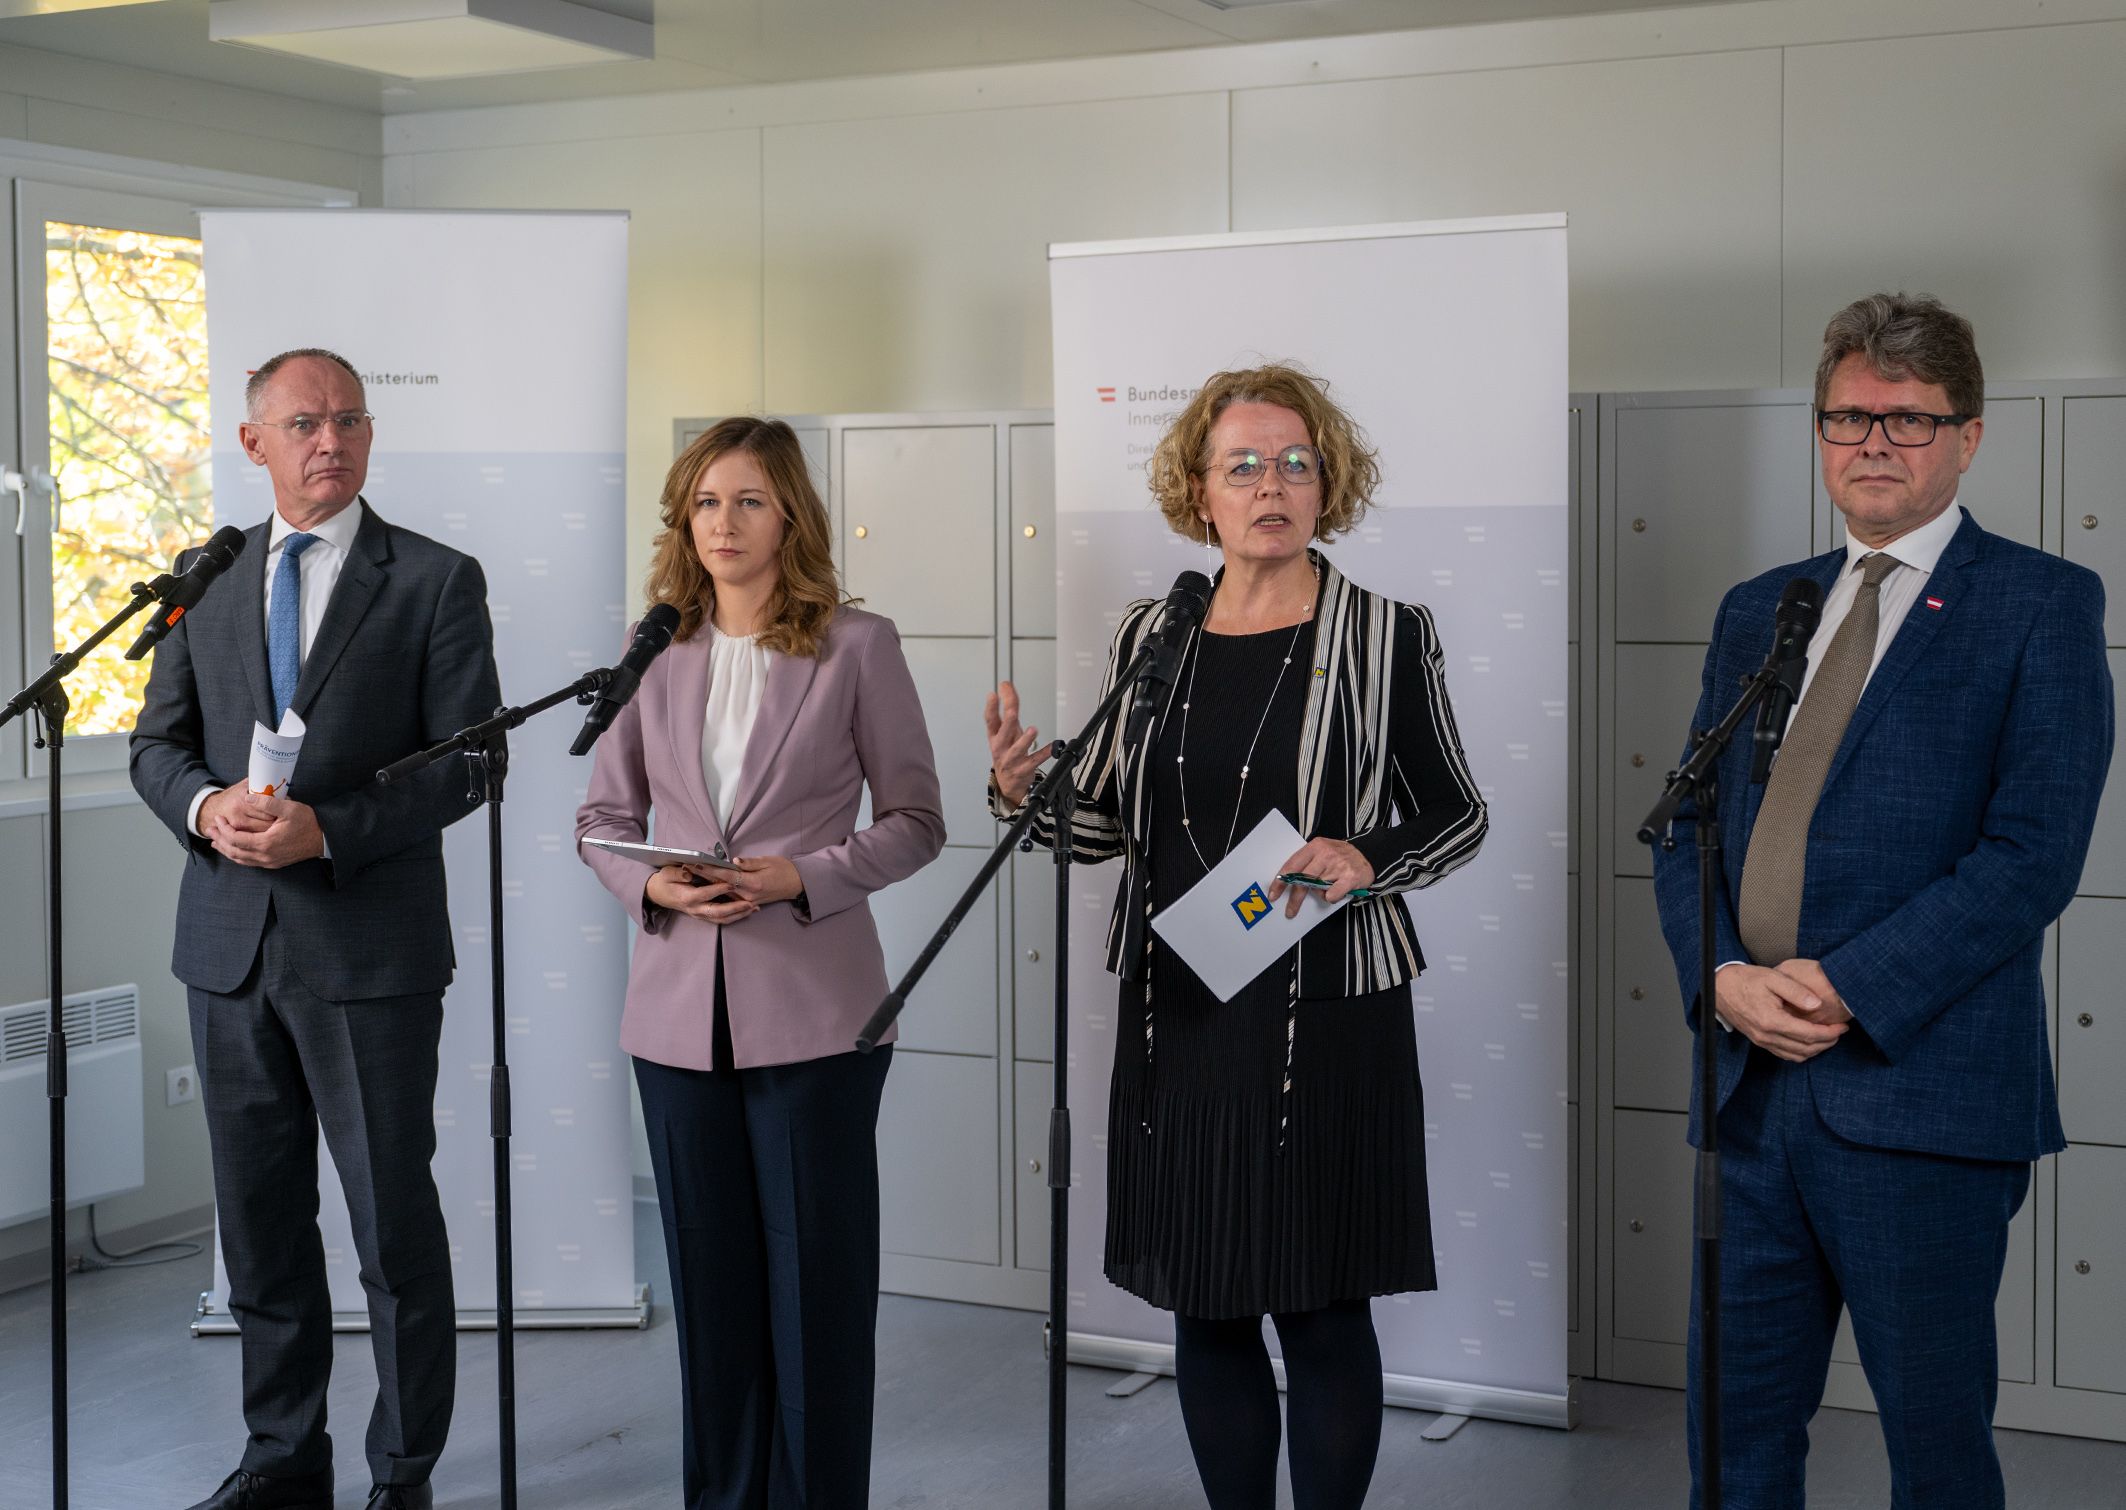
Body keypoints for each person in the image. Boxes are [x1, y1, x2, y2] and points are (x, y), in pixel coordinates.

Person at [985, 364, 1487, 1510]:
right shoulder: (1151, 633)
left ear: (1328, 484)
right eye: (1244, 465)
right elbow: (1108, 822)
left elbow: (1456, 810)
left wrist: (1368, 858)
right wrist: (1025, 793)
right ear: (1198, 492)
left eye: (1295, 462)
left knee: (1315, 1302)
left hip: (1328, 1012)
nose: (1272, 485)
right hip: (1184, 1009)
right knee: (1203, 1296)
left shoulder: (1383, 634)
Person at [1651, 292, 2113, 1509]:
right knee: (1730, 1432)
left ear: (1967, 437)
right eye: (1848, 416)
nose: (1872, 443)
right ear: (1816, 431)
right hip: (1747, 1089)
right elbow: (1684, 824)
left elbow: (2030, 855)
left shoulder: (2039, 605)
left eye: (1907, 422)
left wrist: (1844, 986)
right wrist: (1719, 976)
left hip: (1921, 1097)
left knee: (1932, 1441)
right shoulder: (1763, 607)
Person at [131, 349, 500, 1510]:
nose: (328, 440)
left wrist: (326, 830)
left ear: (370, 435)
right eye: (303, 423)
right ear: (256, 444)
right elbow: (156, 746)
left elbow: (474, 760)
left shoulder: (436, 579)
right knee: (260, 1229)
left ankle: (403, 1472)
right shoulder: (206, 582)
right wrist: (204, 807)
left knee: (393, 1226)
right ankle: (284, 1457)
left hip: (370, 953)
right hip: (229, 948)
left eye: (347, 420)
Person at [575, 416, 945, 1510]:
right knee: (711, 1291)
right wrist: (651, 882)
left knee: (817, 1291)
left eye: (745, 500)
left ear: (789, 513)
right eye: (702, 502)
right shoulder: (653, 649)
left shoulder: (857, 645)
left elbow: (918, 819)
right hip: (676, 1016)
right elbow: (600, 818)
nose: (721, 523)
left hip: (819, 1015)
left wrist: (799, 876)